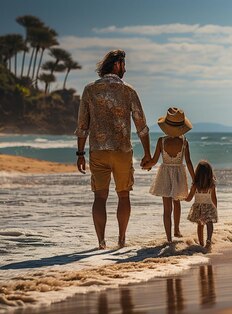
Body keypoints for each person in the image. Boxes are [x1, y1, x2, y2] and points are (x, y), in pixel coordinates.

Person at [75, 49, 151, 249]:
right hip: (122, 151)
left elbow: (82, 125)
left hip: (98, 150)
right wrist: (148, 154)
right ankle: (122, 239)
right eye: (124, 65)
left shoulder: (90, 90)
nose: (125, 69)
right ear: (117, 65)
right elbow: (141, 126)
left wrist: (80, 153)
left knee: (100, 197)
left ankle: (101, 242)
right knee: (123, 195)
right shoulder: (128, 91)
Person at [144, 107, 194, 243]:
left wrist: (145, 165)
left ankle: (168, 238)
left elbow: (154, 161)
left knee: (167, 209)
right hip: (179, 173)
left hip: (164, 174)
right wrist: (194, 179)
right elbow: (188, 162)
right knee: (176, 202)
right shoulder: (184, 142)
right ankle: (177, 230)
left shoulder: (161, 141)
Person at [185, 160, 218, 251]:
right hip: (208, 207)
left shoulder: (195, 185)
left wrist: (182, 198)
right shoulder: (211, 185)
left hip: (198, 208)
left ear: (197, 173)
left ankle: (201, 243)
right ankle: (208, 240)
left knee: (200, 225)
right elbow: (214, 198)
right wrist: (215, 208)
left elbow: (189, 198)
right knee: (209, 223)